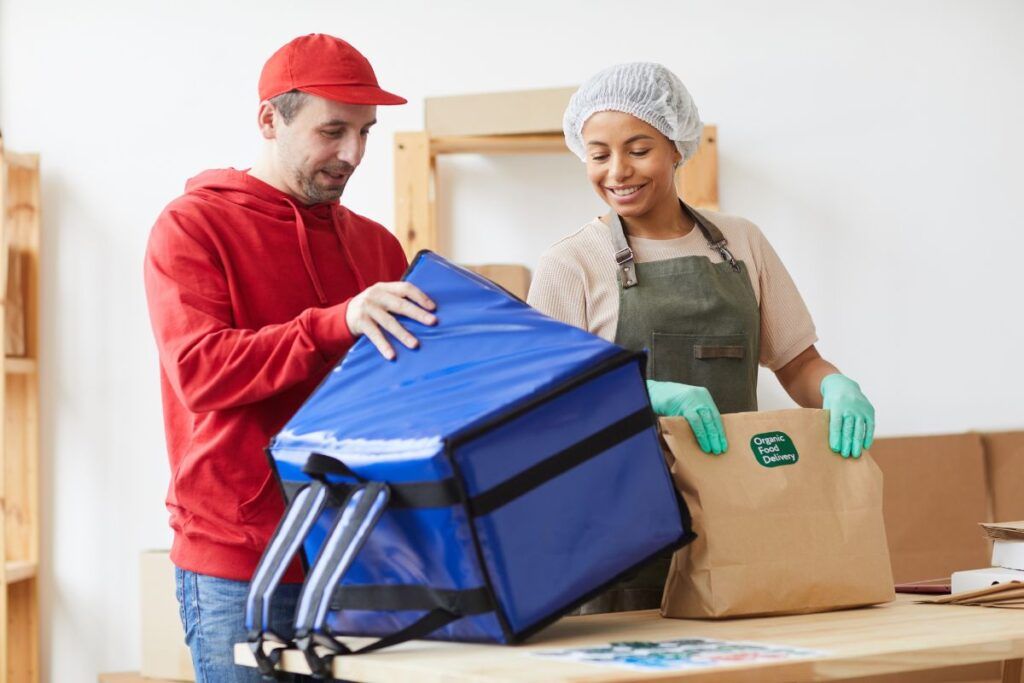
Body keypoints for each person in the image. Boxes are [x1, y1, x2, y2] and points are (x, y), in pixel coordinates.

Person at [527, 62, 876, 614]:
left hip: (740, 522)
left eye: (639, 149)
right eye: (598, 154)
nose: (618, 171)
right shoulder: (570, 264)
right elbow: (545, 404)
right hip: (620, 536)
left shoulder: (741, 243)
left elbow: (796, 362)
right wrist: (642, 395)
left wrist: (836, 387)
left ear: (676, 146)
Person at [144, 34, 437, 681]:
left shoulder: (377, 246)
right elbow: (201, 369)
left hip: (356, 556)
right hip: (239, 559)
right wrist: (336, 323)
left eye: (365, 132)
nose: (353, 153)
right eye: (332, 131)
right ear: (269, 119)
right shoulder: (191, 226)